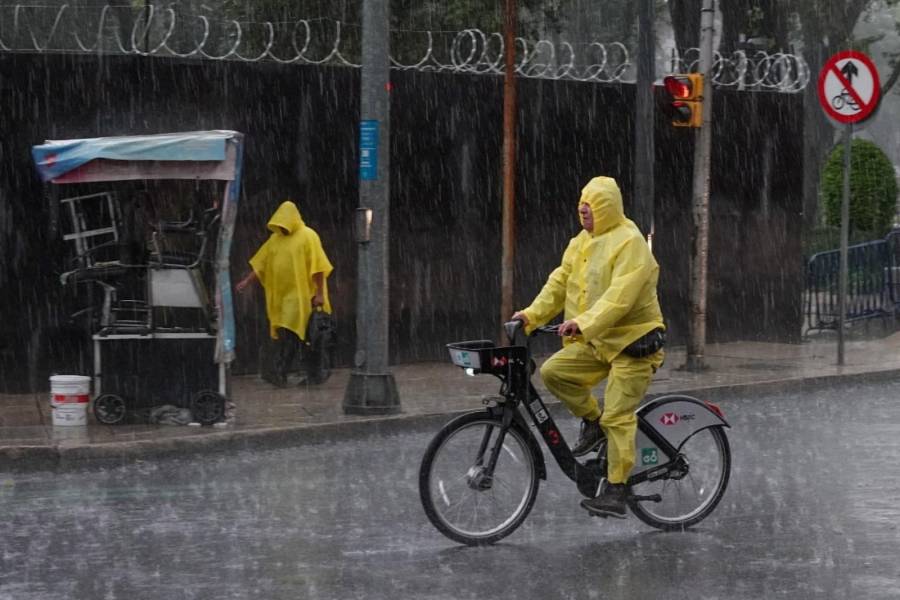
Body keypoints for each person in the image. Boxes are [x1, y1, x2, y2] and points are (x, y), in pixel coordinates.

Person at [512, 176, 665, 519]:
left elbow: (620, 298)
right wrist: (530, 316)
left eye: (591, 209)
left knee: (618, 415)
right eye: (582, 209)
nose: (585, 214)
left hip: (633, 342)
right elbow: (559, 282)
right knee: (554, 372)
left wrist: (583, 323)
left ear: (608, 208)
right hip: (597, 341)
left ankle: (616, 488)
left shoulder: (631, 243)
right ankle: (592, 423)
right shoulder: (580, 242)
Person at [236, 200, 334, 386]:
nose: (283, 227)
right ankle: (294, 373)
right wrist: (246, 281)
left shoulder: (308, 236)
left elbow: (319, 266)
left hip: (304, 297)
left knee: (307, 337)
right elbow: (261, 264)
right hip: (282, 299)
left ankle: (286, 373)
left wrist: (320, 293)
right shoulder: (275, 239)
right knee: (293, 336)